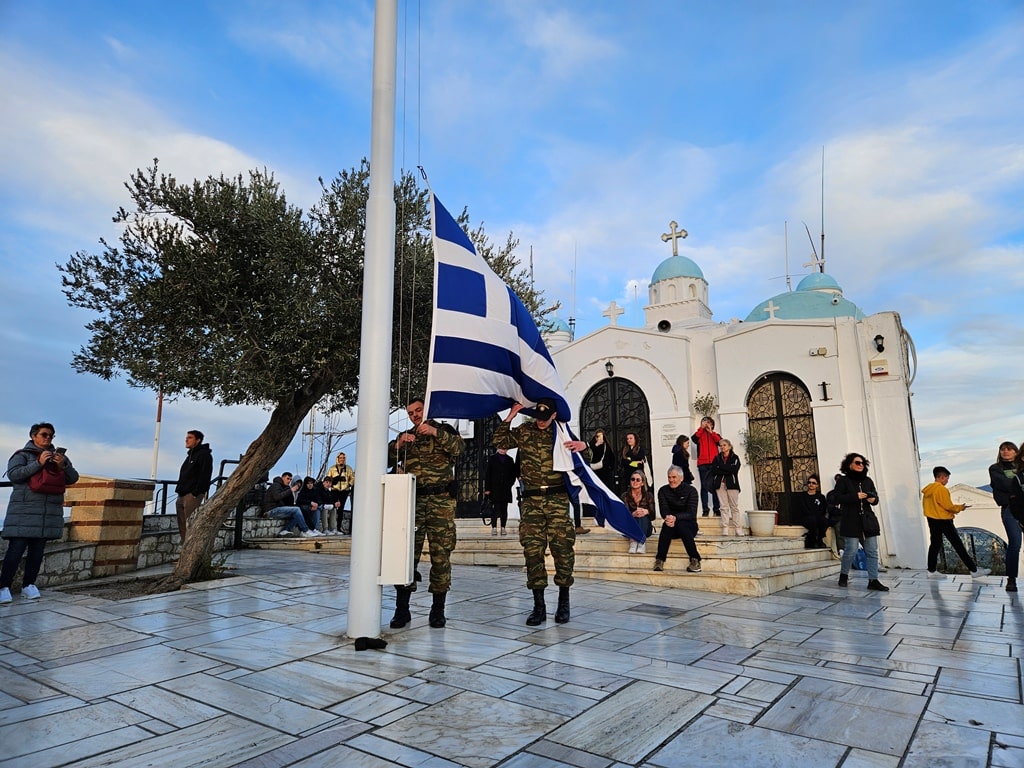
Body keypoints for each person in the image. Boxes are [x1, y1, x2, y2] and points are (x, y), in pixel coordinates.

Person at [494, 398, 586, 626]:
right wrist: (511, 415)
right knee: (533, 552)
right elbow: (499, 441)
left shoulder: (562, 433)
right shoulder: (525, 430)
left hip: (557, 499)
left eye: (546, 418)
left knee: (562, 550)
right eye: (539, 417)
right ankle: (539, 606)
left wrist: (585, 447)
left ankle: (563, 602)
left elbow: (585, 459)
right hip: (531, 500)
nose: (541, 422)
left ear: (554, 416)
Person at [388, 397, 465, 629]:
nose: (414, 415)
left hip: (441, 502)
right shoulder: (406, 437)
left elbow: (459, 448)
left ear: (427, 409)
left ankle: (437, 609)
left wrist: (434, 432)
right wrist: (398, 444)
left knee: (440, 556)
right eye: (410, 412)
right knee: (406, 557)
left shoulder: (443, 431)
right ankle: (402, 610)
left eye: (418, 410)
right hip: (414, 501)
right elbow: (386, 457)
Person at [1, 423, 80, 604]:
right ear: (33, 436)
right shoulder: (22, 455)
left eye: (51, 435)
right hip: (24, 512)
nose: (48, 438)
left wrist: (64, 465)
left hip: (47, 513)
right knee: (15, 551)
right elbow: (14, 475)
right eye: (44, 434)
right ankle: (3, 586)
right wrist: (38, 463)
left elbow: (73, 478)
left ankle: (29, 585)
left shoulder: (59, 457)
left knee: (37, 552)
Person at [834, 453, 889, 591]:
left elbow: (875, 497)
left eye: (862, 463)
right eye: (857, 463)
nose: (860, 465)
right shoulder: (843, 481)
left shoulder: (868, 481)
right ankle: (844, 575)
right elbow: (837, 498)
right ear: (849, 464)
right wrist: (855, 496)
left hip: (868, 520)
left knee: (872, 551)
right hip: (850, 520)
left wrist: (873, 499)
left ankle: (873, 580)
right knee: (851, 550)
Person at [923, 466, 989, 579]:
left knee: (935, 544)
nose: (947, 481)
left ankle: (931, 570)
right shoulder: (941, 489)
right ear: (942, 477)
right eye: (947, 478)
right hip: (943, 520)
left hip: (932, 519)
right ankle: (974, 570)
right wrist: (960, 508)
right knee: (958, 545)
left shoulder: (928, 490)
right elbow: (948, 506)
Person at [653, 465, 701, 573]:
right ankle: (659, 560)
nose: (671, 480)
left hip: (689, 526)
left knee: (681, 524)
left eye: (674, 477)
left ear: (681, 478)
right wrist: (668, 517)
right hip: (671, 525)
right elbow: (664, 510)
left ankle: (695, 559)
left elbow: (691, 513)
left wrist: (676, 517)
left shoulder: (691, 491)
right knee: (667, 525)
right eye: (669, 477)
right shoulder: (663, 491)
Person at [989, 441, 1021, 593]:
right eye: (1002, 449)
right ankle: (1011, 579)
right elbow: (1004, 484)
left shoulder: (1021, 467)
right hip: (1010, 509)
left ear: (1016, 451)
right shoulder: (995, 469)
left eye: (1009, 449)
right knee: (1015, 543)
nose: (1005, 452)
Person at [173, 429, 212, 543]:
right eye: (187, 437)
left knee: (190, 525)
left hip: (192, 495)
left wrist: (196, 493)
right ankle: (184, 553)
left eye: (190, 437)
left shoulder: (204, 455)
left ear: (198, 440)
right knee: (182, 526)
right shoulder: (190, 455)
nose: (186, 439)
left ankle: (190, 552)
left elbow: (205, 475)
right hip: (182, 494)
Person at [262, 471, 319, 538]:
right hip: (270, 510)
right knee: (297, 509)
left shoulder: (283, 487)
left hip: (277, 509)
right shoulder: (276, 485)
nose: (289, 481)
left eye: (290, 479)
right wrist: (291, 490)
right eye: (287, 478)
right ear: (282, 478)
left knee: (297, 514)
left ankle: (285, 530)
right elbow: (277, 497)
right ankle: (305, 530)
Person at [691, 416, 722, 516]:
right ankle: (705, 509)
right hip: (703, 464)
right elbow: (694, 439)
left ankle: (716, 509)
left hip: (714, 464)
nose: (706, 424)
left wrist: (711, 432)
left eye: (709, 422)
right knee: (704, 487)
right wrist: (701, 428)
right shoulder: (699, 435)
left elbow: (719, 442)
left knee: (715, 486)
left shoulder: (715, 435)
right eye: (704, 422)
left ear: (712, 424)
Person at [711, 438, 742, 535]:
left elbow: (734, 469)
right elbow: (714, 470)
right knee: (723, 507)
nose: (722, 447)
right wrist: (726, 469)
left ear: (729, 446)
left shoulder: (735, 457)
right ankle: (725, 527)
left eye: (724, 445)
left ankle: (738, 528)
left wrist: (722, 467)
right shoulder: (717, 458)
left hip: (732, 484)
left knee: (734, 507)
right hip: (720, 484)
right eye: (720, 445)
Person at [484, 447, 517, 536]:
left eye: (505, 448)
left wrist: (509, 483)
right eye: (501, 448)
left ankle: (503, 527)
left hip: (505, 489)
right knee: (495, 509)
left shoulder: (510, 460)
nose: (503, 450)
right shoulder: (492, 458)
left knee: (504, 509)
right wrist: (487, 489)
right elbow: (488, 474)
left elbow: (513, 474)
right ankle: (494, 527)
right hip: (494, 488)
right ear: (498, 448)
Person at [621, 470, 655, 554]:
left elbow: (653, 516)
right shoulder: (625, 496)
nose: (635, 481)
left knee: (642, 515)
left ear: (642, 483)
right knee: (636, 515)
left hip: (646, 527)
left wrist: (646, 511)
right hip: (629, 528)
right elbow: (623, 516)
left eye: (638, 480)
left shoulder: (648, 496)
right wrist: (633, 514)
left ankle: (639, 542)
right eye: (633, 479)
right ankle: (636, 542)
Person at [795, 475, 829, 549]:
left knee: (824, 521)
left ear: (817, 485)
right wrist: (812, 515)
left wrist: (818, 516)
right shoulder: (803, 496)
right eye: (809, 482)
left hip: (818, 517)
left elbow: (823, 509)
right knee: (813, 520)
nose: (811, 484)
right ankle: (813, 540)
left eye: (813, 483)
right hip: (807, 517)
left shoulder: (821, 497)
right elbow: (803, 508)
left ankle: (820, 539)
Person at [326, 451, 355, 531]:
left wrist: (349, 485)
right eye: (340, 458)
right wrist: (335, 480)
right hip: (334, 490)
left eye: (343, 458)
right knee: (333, 507)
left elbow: (352, 478)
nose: (342, 459)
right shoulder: (332, 468)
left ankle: (338, 527)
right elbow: (327, 479)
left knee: (341, 509)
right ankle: (331, 527)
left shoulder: (348, 468)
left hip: (344, 491)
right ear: (337, 459)